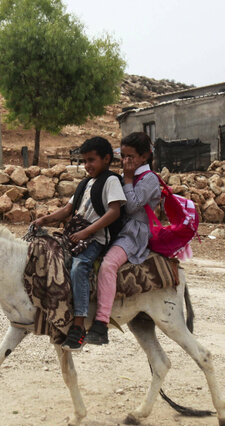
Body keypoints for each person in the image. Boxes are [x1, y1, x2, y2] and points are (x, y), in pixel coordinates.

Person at [31, 137, 125, 350]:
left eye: (91, 160)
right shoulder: (85, 183)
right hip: (77, 234)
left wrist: (87, 232)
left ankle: (79, 324)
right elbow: (67, 210)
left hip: (95, 238)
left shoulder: (111, 181)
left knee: (79, 267)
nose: (87, 165)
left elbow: (114, 211)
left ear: (106, 159)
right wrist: (44, 220)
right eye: (84, 161)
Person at [85, 132, 162, 345]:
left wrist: (127, 179)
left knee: (108, 265)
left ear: (144, 156)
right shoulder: (130, 175)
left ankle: (101, 323)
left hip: (134, 233)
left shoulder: (149, 179)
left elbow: (132, 205)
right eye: (124, 156)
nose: (126, 161)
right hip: (118, 228)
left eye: (131, 157)